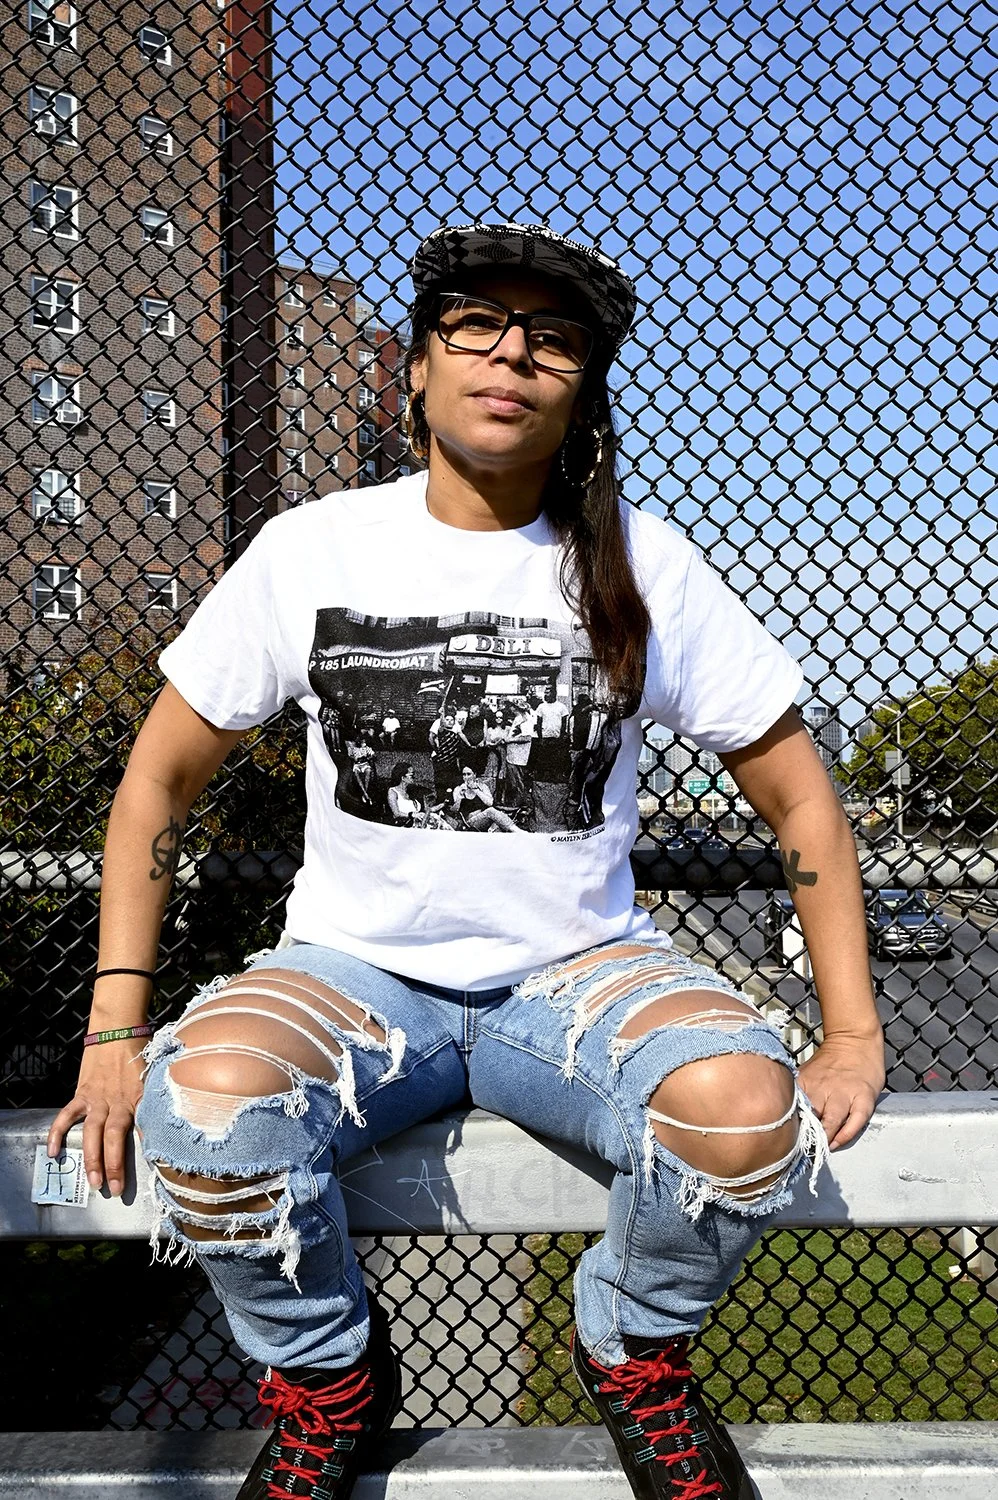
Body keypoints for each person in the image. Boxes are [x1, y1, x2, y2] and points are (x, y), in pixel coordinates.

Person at [48, 220, 885, 1500]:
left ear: (582, 390)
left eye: (552, 339)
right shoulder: (315, 548)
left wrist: (853, 1032)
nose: (511, 356)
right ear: (418, 367)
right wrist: (117, 1025)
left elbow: (802, 803)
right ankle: (329, 1381)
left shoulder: (643, 562)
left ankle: (631, 1348)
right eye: (476, 325)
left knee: (741, 1109)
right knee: (203, 1109)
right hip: (355, 973)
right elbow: (157, 779)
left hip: (575, 975)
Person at [450, 765, 519, 832]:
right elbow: (454, 810)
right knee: (491, 811)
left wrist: (475, 790)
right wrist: (459, 797)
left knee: (498, 824)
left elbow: (490, 803)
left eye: (469, 774)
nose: (466, 777)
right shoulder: (458, 789)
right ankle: (517, 831)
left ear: (474, 775)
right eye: (464, 775)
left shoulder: (482, 787)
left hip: (485, 817)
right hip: (470, 822)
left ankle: (513, 832)